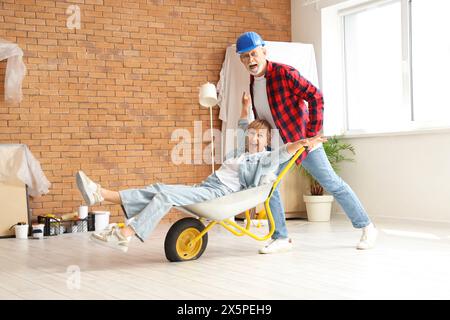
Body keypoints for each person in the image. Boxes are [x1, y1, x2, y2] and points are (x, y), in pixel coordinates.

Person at [76, 97, 326, 252]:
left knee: (164, 195)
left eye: (259, 136)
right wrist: (245, 108)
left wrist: (307, 141)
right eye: (252, 134)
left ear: (267, 139)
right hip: (208, 186)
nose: (253, 138)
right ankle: (100, 194)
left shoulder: (264, 159)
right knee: (158, 188)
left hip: (219, 194)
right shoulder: (242, 150)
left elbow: (285, 151)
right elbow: (242, 128)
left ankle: (125, 234)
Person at [235, 31, 378, 253]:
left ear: (264, 51)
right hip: (279, 147)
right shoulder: (254, 80)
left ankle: (367, 227)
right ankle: (281, 237)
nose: (250, 60)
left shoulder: (284, 73)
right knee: (268, 186)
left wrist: (311, 135)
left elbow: (316, 96)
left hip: (303, 142)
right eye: (245, 57)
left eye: (253, 54)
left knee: (332, 183)